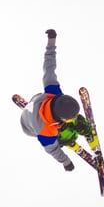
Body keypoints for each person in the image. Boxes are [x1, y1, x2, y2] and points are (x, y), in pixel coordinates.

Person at [20, 29, 90, 170]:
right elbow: (51, 150)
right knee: (66, 135)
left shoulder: (54, 91)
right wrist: (65, 161)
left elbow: (49, 66)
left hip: (38, 104)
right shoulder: (46, 132)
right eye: (69, 119)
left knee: (76, 121)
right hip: (29, 127)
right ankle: (69, 136)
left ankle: (79, 126)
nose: (72, 119)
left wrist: (51, 41)